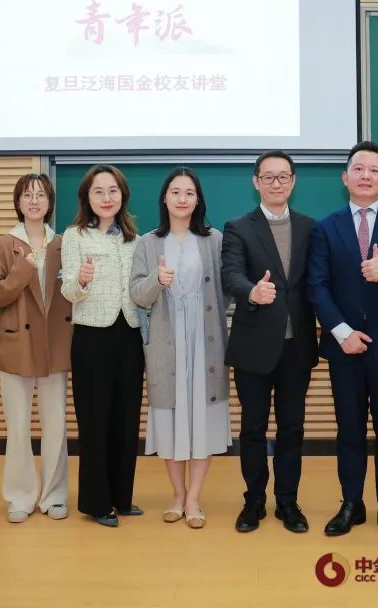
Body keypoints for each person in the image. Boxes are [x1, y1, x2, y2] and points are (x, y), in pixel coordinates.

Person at [307, 141, 378, 543]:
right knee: (349, 431)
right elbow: (317, 286)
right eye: (358, 169)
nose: (365, 176)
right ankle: (351, 503)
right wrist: (342, 332)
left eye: (374, 170)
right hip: (345, 348)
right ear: (345, 177)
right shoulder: (325, 227)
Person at [222, 151, 318, 534]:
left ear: (293, 181)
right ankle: (254, 501)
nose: (276, 183)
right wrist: (251, 291)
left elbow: (317, 281)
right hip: (254, 347)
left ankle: (288, 502)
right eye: (268, 177)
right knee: (253, 429)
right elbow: (230, 274)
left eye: (283, 176)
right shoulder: (238, 227)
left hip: (298, 347)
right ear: (256, 182)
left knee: (292, 428)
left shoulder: (310, 227)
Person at [130, 168, 230, 529]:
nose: (182, 198)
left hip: (206, 342)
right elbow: (137, 294)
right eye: (175, 192)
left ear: (198, 199)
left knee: (202, 419)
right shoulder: (148, 242)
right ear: (165, 198)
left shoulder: (215, 240)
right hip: (167, 342)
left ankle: (193, 498)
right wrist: (156, 280)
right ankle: (177, 494)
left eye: (189, 192)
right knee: (170, 419)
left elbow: (228, 287)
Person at [0, 174, 72, 523]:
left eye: (40, 195)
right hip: (16, 342)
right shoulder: (5, 244)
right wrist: (22, 271)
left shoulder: (63, 243)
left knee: (56, 425)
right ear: (18, 202)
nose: (34, 201)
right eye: (27, 195)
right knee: (18, 426)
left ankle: (54, 495)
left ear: (50, 202)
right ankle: (19, 497)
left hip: (55, 343)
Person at [61, 165, 145, 528]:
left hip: (129, 334)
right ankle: (97, 502)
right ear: (87, 197)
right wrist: (80, 280)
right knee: (94, 419)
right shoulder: (74, 235)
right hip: (92, 336)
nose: (107, 198)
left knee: (126, 419)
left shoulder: (135, 239)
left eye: (113, 191)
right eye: (99, 191)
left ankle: (121, 497)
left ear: (123, 195)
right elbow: (68, 292)